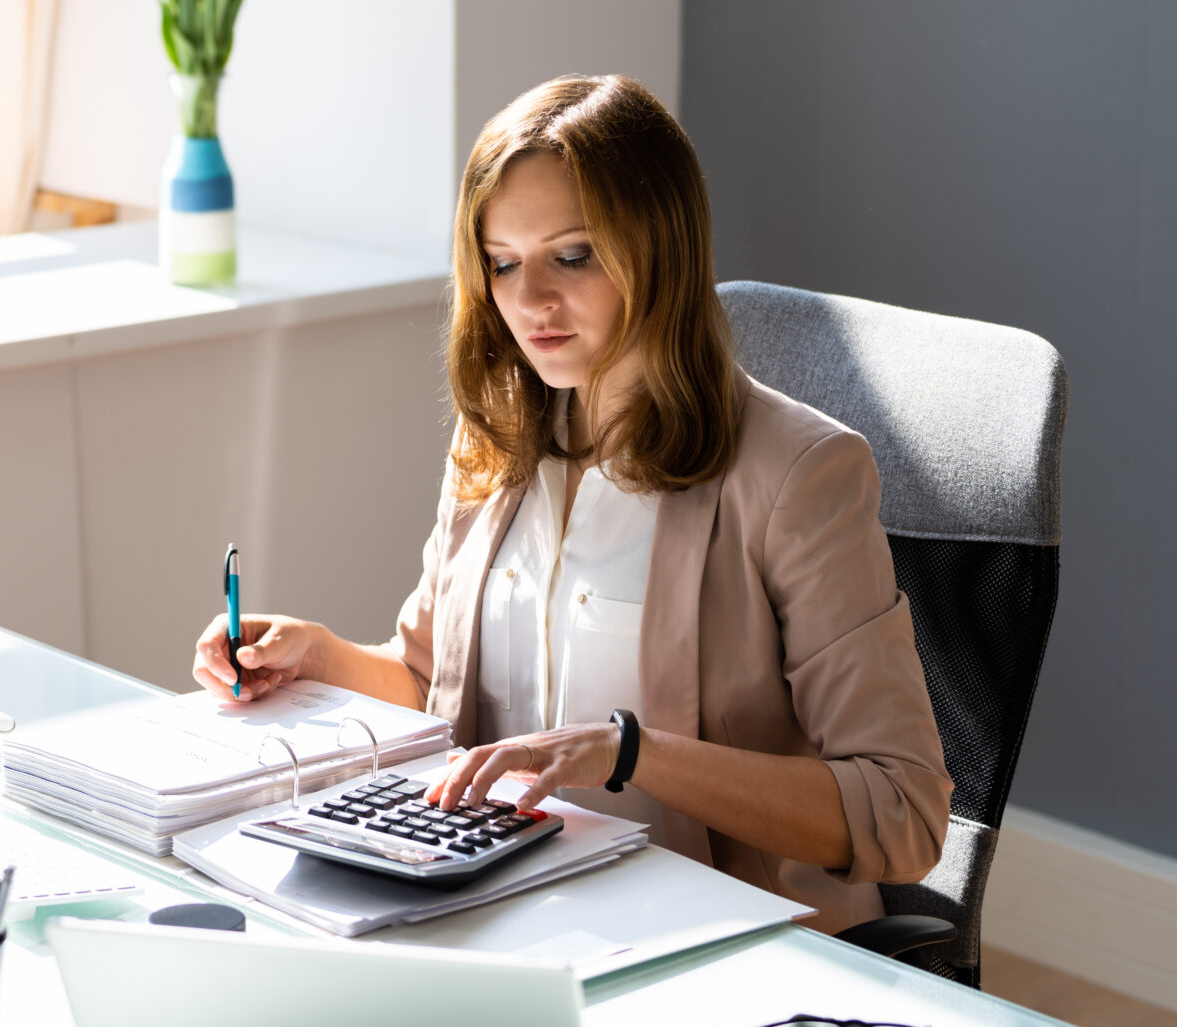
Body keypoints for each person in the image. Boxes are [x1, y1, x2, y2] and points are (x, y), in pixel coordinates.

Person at [188, 74, 950, 932]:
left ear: (658, 248)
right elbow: (436, 686)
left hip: (713, 942)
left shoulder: (797, 473)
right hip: (512, 909)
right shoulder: (499, 441)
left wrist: (631, 753)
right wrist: (319, 654)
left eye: (573, 255)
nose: (529, 301)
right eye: (503, 263)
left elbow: (903, 809)